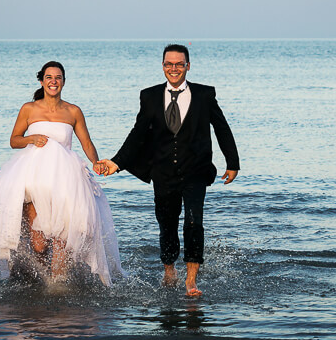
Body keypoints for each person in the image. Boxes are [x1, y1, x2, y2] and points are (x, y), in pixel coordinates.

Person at [98, 44, 239, 297]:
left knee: (194, 222)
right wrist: (117, 162)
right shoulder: (149, 96)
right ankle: (169, 270)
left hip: (196, 170)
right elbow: (138, 134)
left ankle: (191, 280)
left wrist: (233, 162)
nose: (174, 68)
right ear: (163, 66)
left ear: (188, 66)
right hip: (163, 172)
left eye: (179, 64)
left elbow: (221, 127)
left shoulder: (204, 94)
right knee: (167, 224)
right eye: (169, 64)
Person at [0, 61, 124, 287]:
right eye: (49, 77)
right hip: (33, 179)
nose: (53, 81)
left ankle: (57, 284)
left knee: (62, 237)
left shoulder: (73, 111)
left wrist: (96, 162)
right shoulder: (29, 108)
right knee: (38, 244)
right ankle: (37, 278)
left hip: (65, 180)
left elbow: (86, 143)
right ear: (41, 81)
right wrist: (31, 138)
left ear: (64, 81)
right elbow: (14, 140)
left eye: (58, 77)